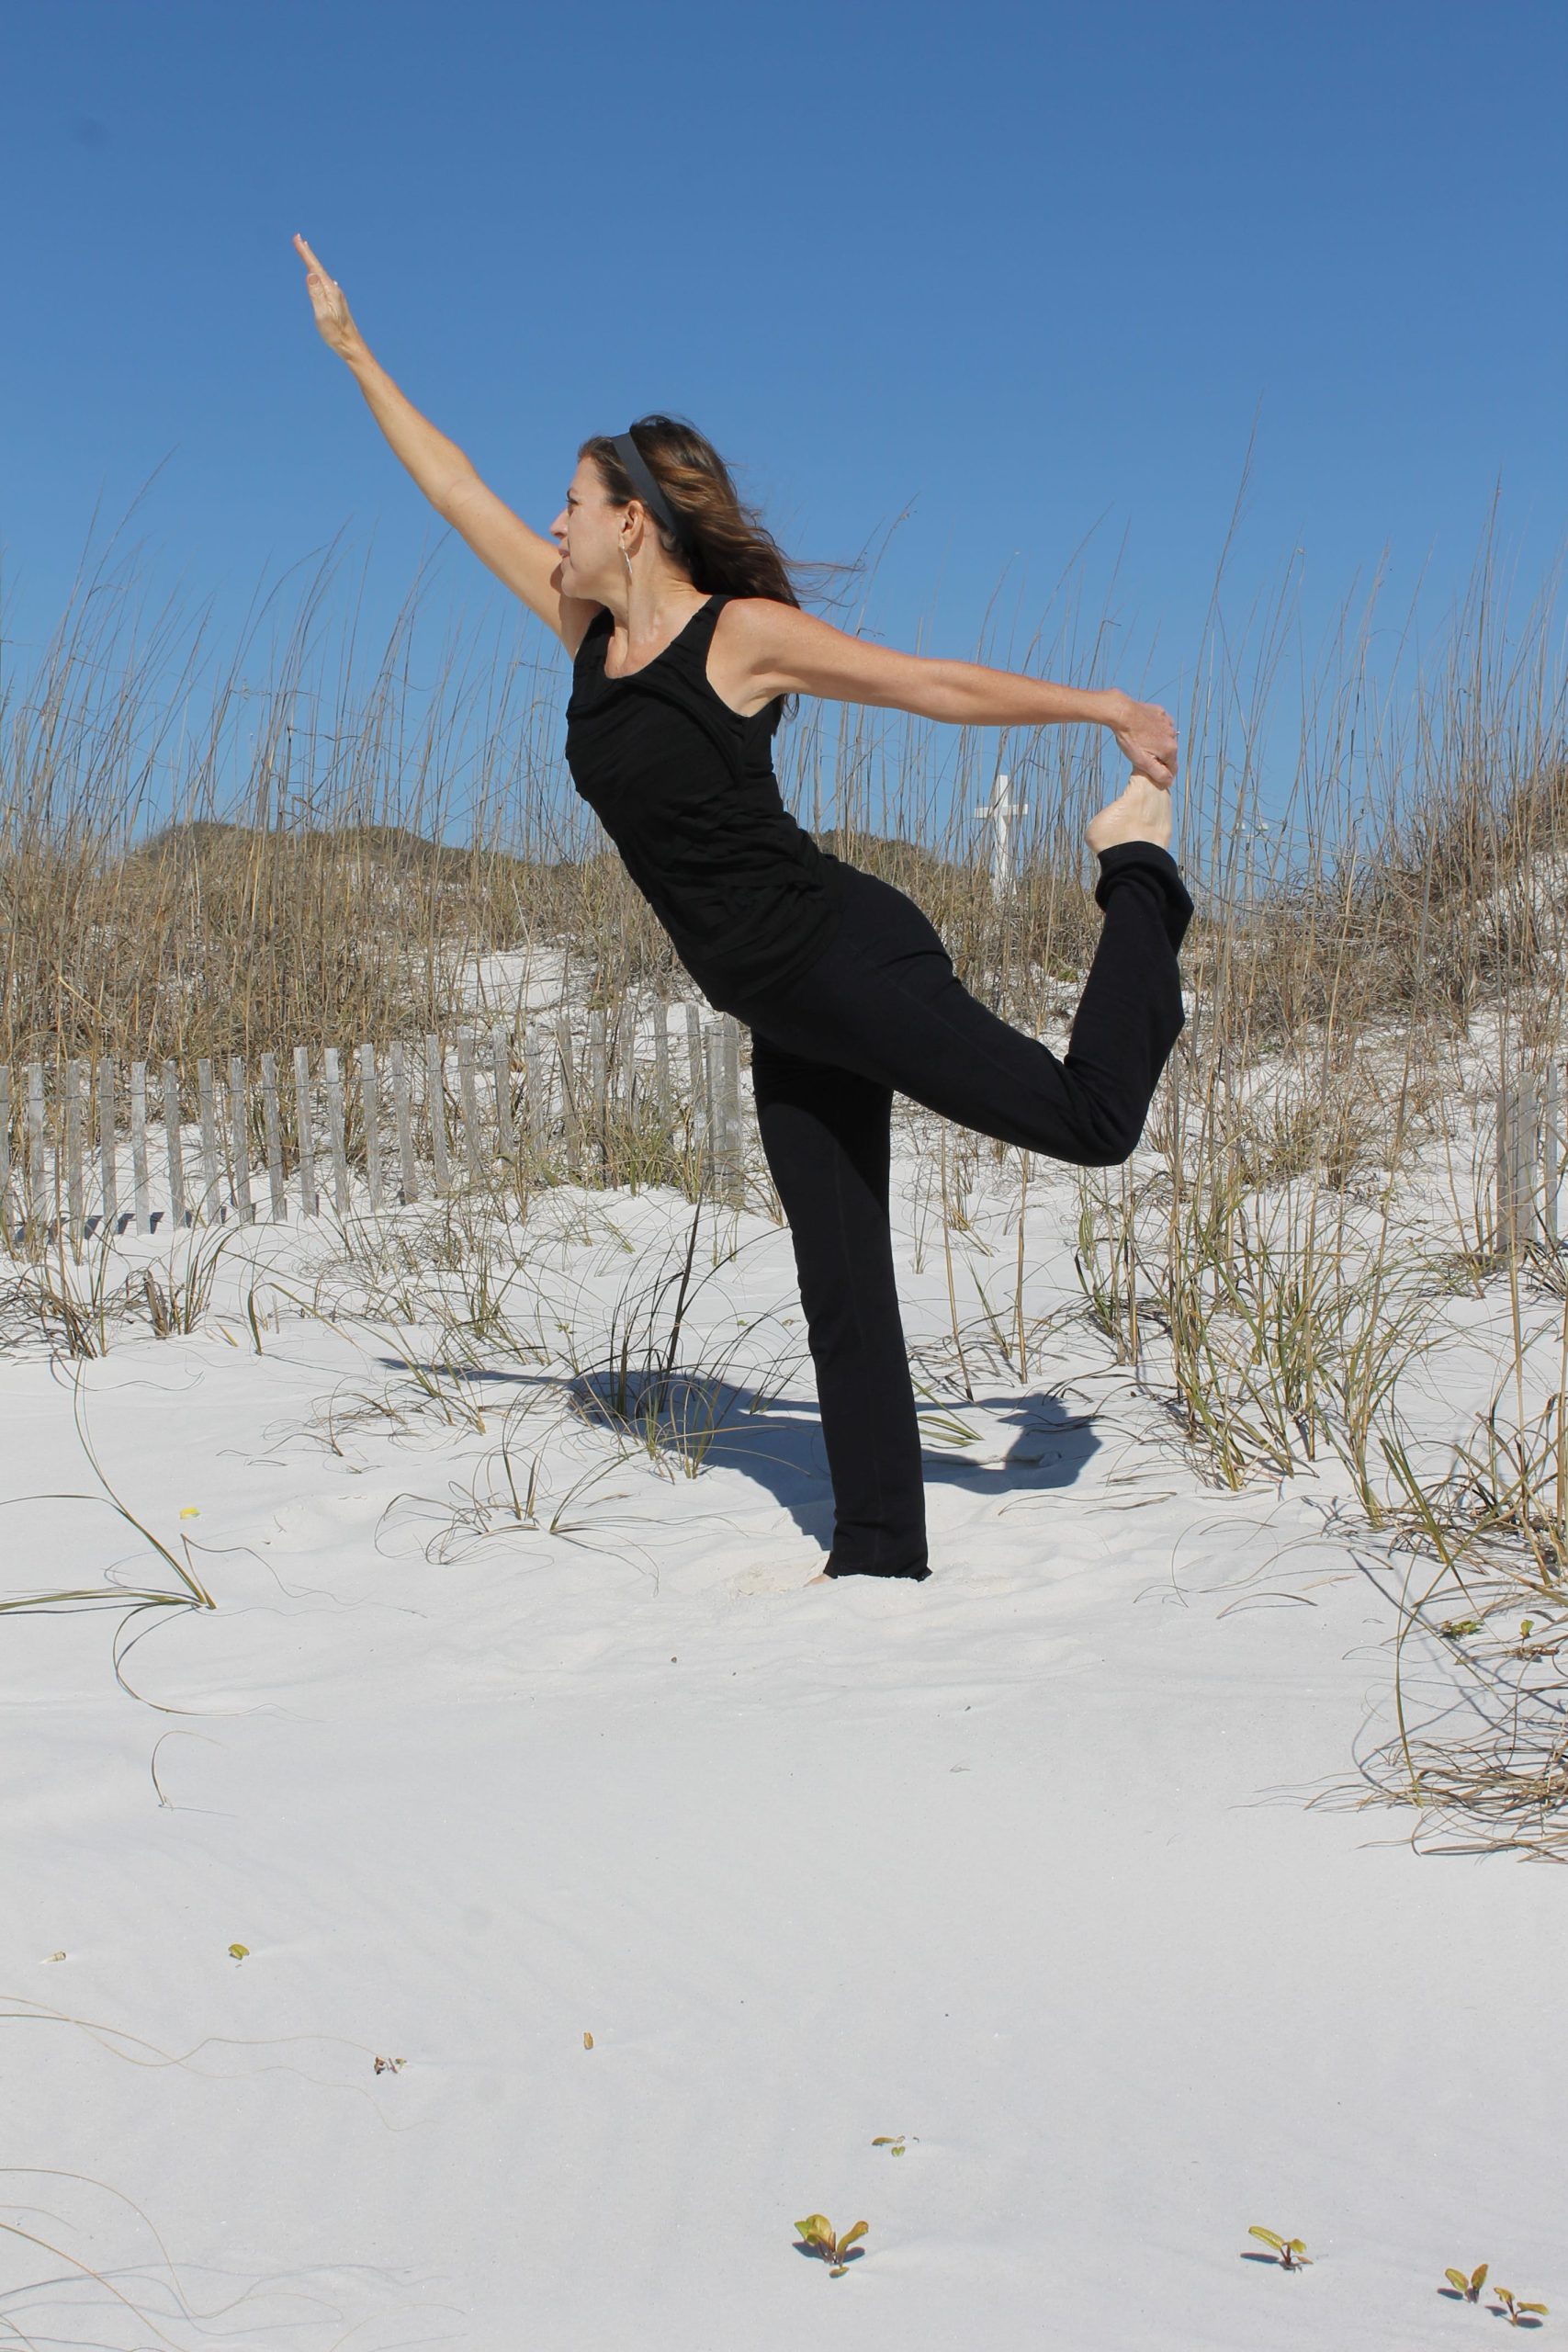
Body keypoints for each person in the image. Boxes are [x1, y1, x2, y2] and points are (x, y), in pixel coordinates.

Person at [294, 233, 1192, 1585]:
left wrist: (1103, 707)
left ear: (631, 520)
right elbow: (450, 488)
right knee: (840, 1283)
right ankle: (879, 1558)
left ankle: (1142, 877)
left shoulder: (739, 638)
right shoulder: (586, 637)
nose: (552, 524)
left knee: (1090, 1123)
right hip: (780, 1002)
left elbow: (924, 687)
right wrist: (355, 349)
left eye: (573, 503)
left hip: (847, 954)